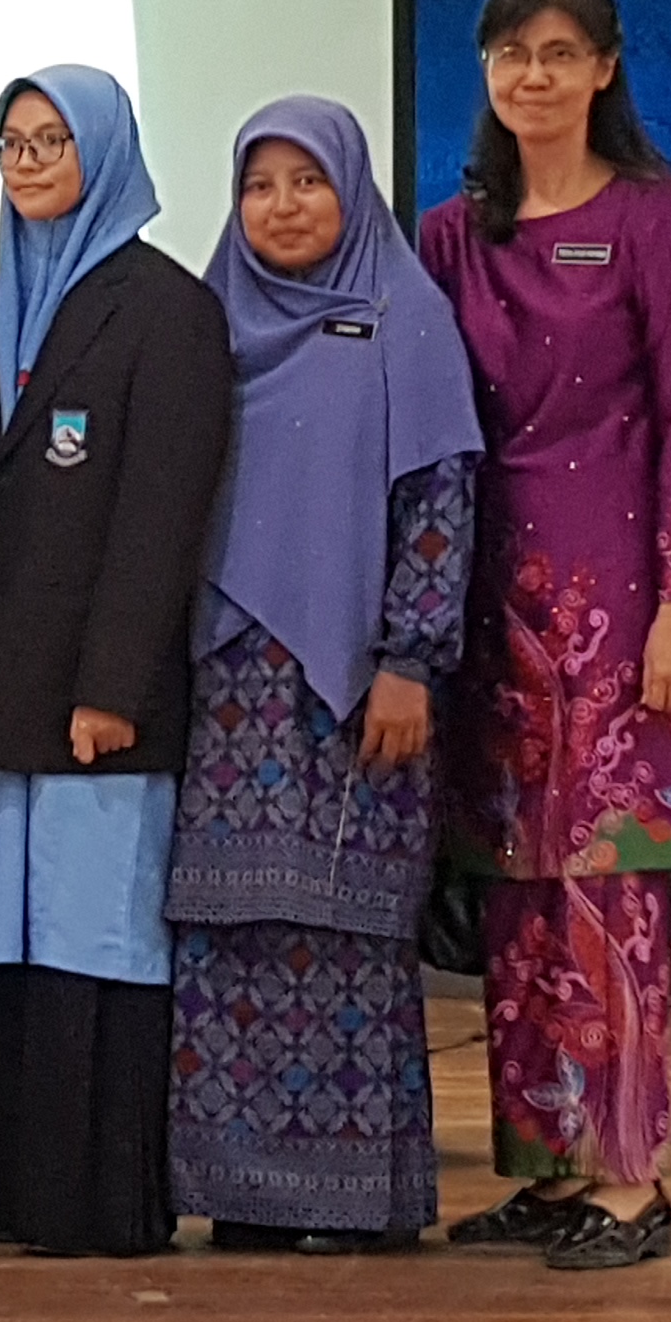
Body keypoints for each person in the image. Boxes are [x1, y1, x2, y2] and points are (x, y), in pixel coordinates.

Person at [415, 0, 671, 1273]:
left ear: (606, 69)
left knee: (609, 891)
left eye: (559, 53)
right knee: (514, 899)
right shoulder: (451, 236)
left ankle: (629, 1179)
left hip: (622, 609)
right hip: (490, 608)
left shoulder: (653, 218)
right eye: (512, 54)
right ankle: (547, 1171)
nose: (533, 76)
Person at [167, 99, 483, 1254]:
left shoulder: (409, 322)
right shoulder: (205, 323)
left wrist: (411, 659)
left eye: (308, 181)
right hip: (223, 680)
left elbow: (440, 503)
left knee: (343, 932)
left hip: (355, 689)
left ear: (351, 189)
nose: (283, 206)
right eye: (260, 185)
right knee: (226, 926)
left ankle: (352, 1200)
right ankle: (243, 1193)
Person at [0, 65, 233, 1259]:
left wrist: (112, 686)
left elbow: (162, 516)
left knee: (94, 940)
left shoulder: (168, 311)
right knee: (4, 941)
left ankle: (99, 1201)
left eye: (51, 142)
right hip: (1, 699)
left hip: (100, 705)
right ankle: (12, 1193)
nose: (28, 163)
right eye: (11, 144)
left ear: (106, 151)